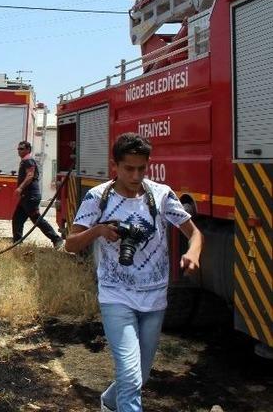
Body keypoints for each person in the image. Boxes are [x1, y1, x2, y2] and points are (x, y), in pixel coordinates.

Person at [65, 133, 203, 412]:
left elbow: (195, 233)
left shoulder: (161, 195)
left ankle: (108, 402)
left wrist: (193, 252)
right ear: (115, 165)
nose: (136, 175)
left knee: (141, 376)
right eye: (129, 168)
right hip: (116, 296)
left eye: (142, 168)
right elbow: (70, 243)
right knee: (130, 376)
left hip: (154, 299)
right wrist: (99, 230)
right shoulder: (98, 197)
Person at [12, 141, 64, 249]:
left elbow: (30, 175)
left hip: (30, 196)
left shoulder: (28, 161)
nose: (19, 151)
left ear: (28, 150)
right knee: (17, 219)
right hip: (25, 197)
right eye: (18, 149)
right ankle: (17, 244)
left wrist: (20, 188)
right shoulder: (25, 161)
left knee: (37, 220)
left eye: (21, 149)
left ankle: (56, 239)